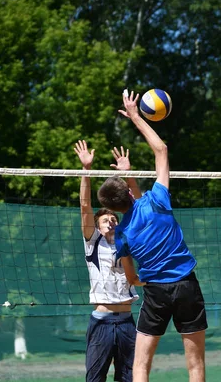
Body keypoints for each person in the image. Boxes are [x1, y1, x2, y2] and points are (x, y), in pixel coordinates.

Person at [96, 91, 207, 382]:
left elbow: (132, 279)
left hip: (156, 291)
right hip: (186, 285)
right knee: (195, 366)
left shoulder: (122, 233)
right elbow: (161, 150)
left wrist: (144, 280)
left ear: (111, 208)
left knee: (141, 365)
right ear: (130, 193)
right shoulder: (157, 200)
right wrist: (135, 116)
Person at [74, 140, 145, 382]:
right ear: (97, 226)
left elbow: (140, 207)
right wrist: (86, 170)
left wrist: (127, 174)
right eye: (105, 220)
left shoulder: (127, 239)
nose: (111, 221)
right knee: (95, 378)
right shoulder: (93, 242)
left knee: (129, 378)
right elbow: (85, 205)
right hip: (101, 322)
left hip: (126, 322)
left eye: (113, 218)